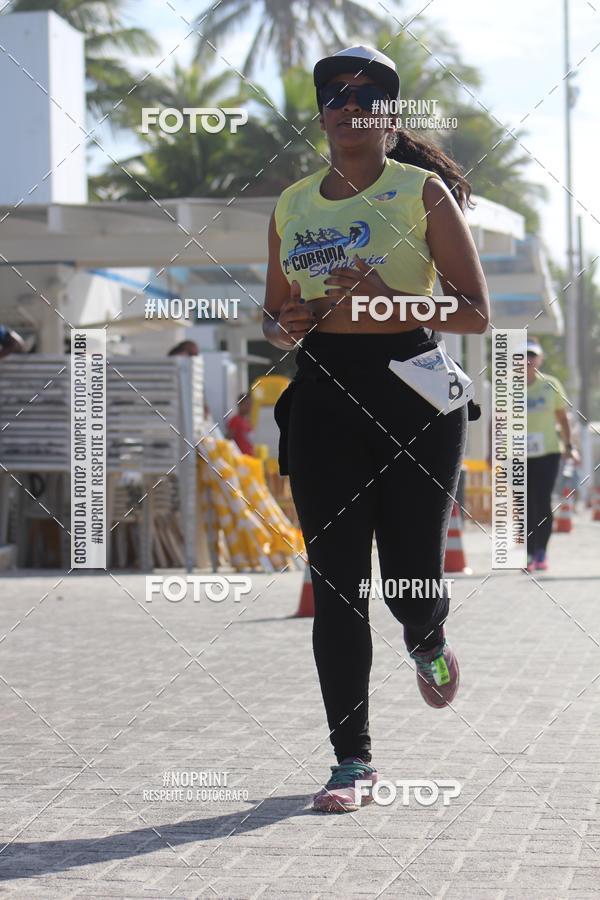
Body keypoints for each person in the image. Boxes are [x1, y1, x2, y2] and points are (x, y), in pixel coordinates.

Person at [262, 45, 490, 813]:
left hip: (415, 396)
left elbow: (473, 312)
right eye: (334, 93)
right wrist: (287, 321)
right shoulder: (292, 204)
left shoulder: (421, 193)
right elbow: (274, 320)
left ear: (390, 116)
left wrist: (391, 297)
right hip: (324, 396)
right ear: (321, 112)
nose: (347, 103)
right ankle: (351, 762)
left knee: (408, 577)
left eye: (367, 94)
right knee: (335, 584)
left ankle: (427, 637)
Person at [525, 337, 579, 572]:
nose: (527, 360)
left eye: (531, 355)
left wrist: (569, 446)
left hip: (548, 452)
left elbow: (562, 418)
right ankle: (527, 553)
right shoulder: (507, 386)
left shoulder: (551, 384)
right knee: (524, 502)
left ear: (540, 359)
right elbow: (496, 421)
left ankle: (541, 552)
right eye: (522, 355)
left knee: (542, 499)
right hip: (518, 453)